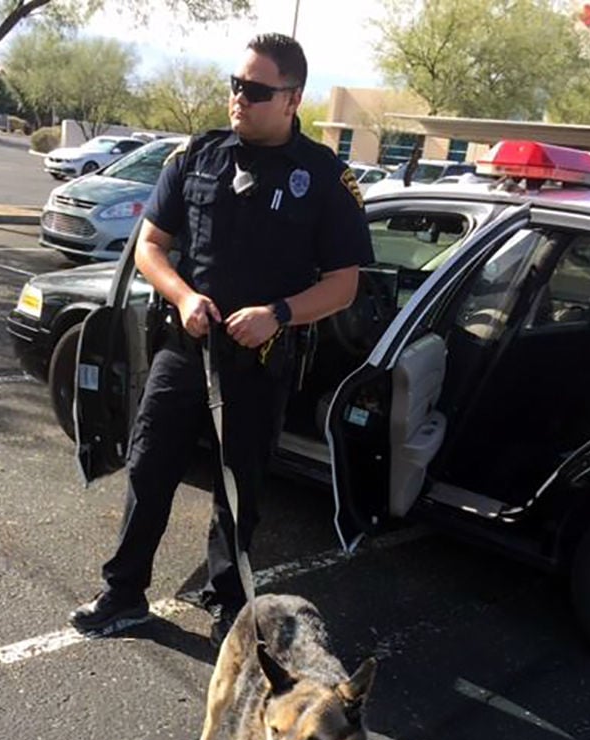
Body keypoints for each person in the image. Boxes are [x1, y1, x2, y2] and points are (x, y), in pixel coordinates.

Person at [69, 32, 374, 646]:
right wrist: (183, 297)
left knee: (240, 489)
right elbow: (151, 246)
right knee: (149, 468)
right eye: (236, 85)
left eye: (256, 90)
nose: (239, 98)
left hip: (261, 359)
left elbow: (344, 285)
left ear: (292, 99)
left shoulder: (323, 178)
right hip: (185, 353)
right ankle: (123, 592)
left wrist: (279, 313)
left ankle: (227, 598)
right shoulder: (196, 157)